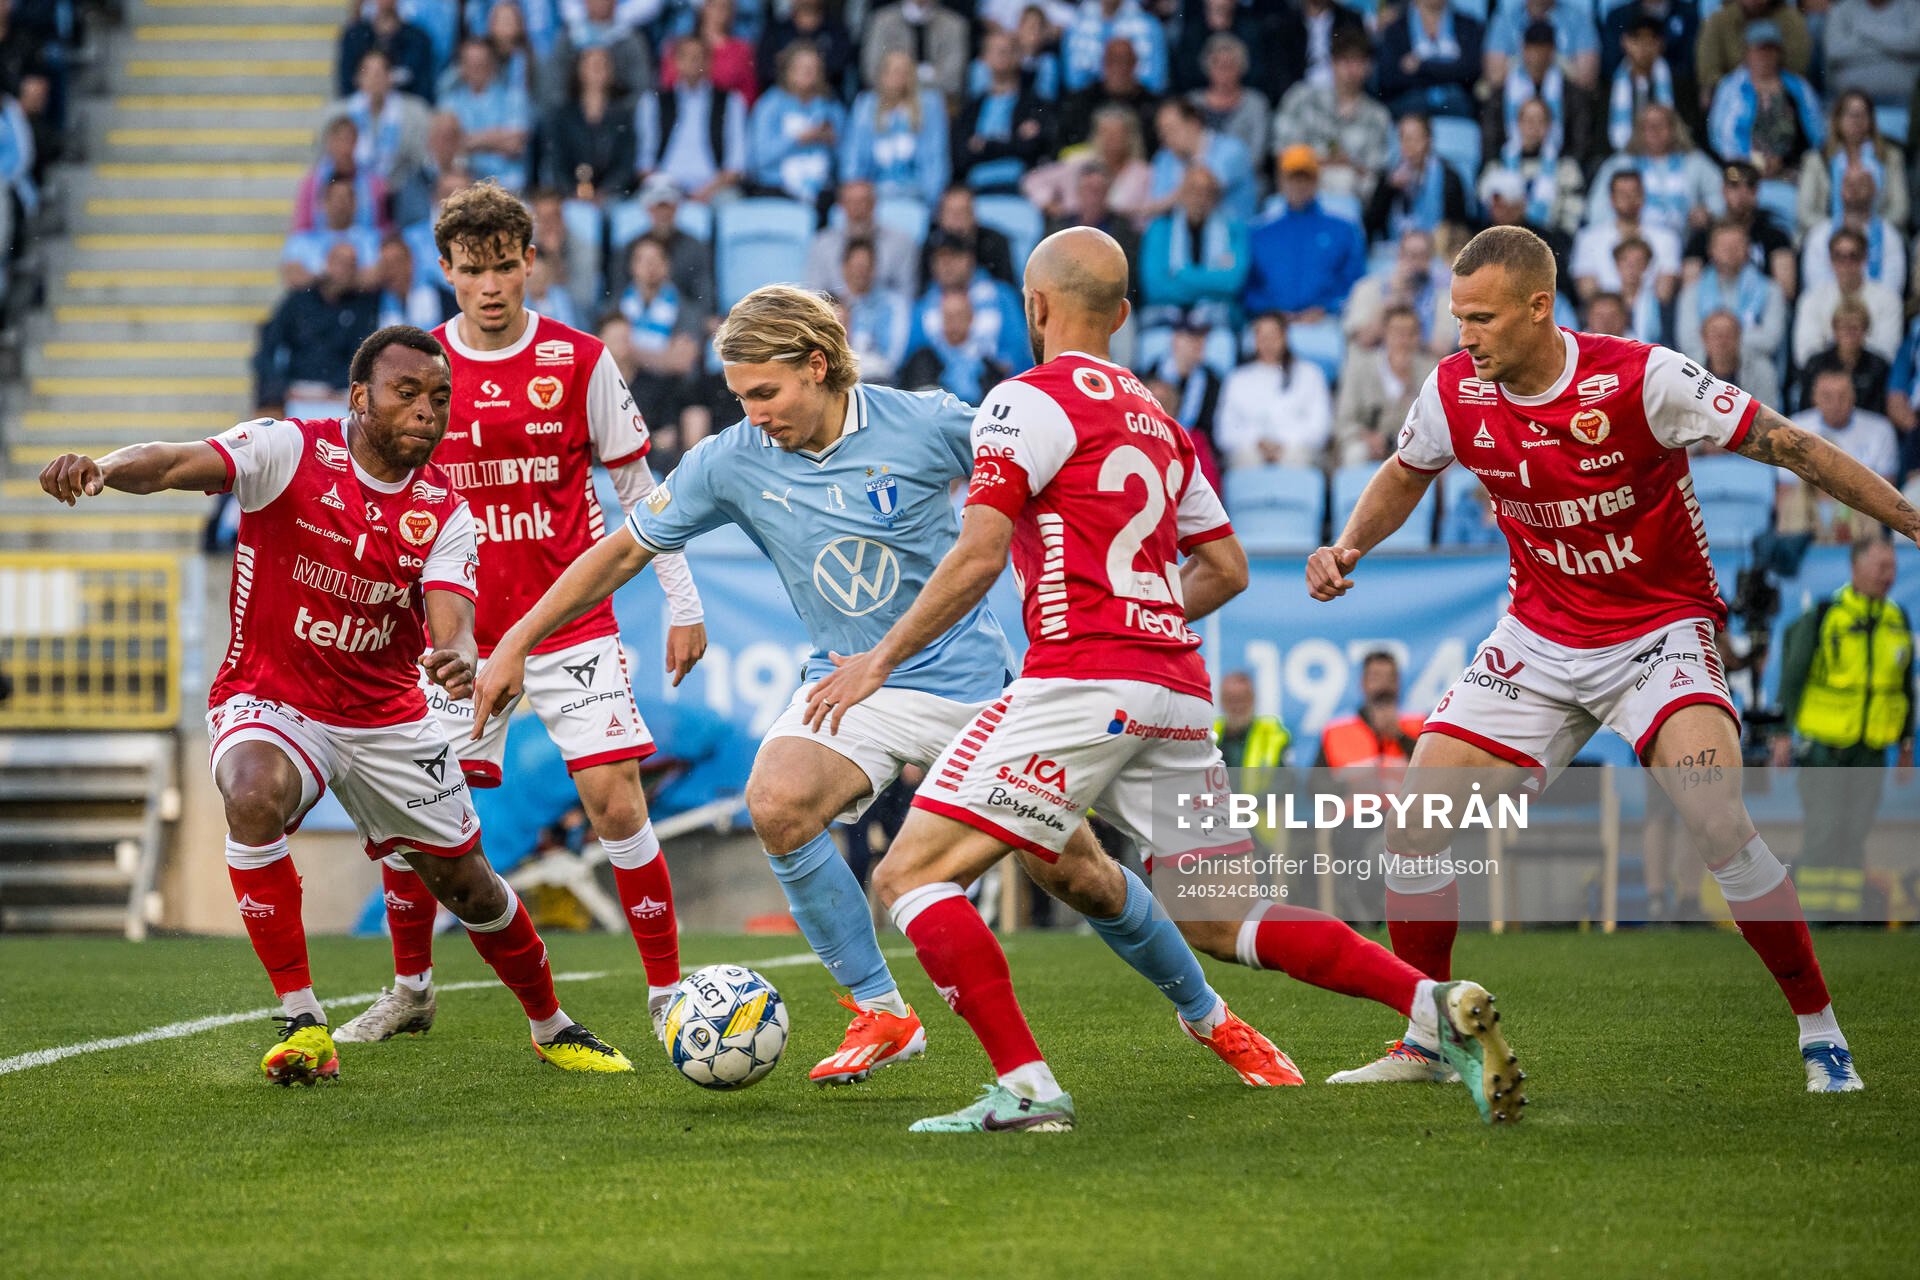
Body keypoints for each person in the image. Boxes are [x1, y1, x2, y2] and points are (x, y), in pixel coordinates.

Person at [469, 283, 1297, 1093]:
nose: (752, 413)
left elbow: (1051, 481)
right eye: (739, 396)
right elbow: (620, 552)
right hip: (847, 682)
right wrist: (517, 639)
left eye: (765, 392)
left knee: (1077, 874)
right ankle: (879, 1009)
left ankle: (1209, 1014)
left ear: (820, 365)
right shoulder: (730, 461)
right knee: (778, 801)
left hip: (968, 682)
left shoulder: (929, 422)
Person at [805, 228, 1524, 1132]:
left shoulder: (1020, 401)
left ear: (1035, 307)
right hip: (1176, 685)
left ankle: (1026, 1090)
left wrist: (880, 660)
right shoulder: (1163, 420)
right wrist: (1143, 614)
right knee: (1227, 918)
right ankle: (1428, 1003)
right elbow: (1225, 567)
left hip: (1078, 676)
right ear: (1125, 315)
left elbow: (981, 551)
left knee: (911, 873)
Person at [1308, 224, 1917, 1093]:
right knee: (1416, 820)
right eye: (1456, 318)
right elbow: (1407, 472)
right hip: (1539, 636)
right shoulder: (1454, 390)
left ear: (1538, 308)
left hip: (1657, 634)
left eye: (1480, 318)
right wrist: (1349, 546)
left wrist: (1913, 523)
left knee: (1716, 820)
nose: (1463, 336)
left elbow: (1796, 447)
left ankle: (1822, 1033)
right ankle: (1430, 1038)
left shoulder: (1644, 379)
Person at [38, 327, 632, 1079]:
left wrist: (457, 658)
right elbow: (175, 461)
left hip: (387, 714)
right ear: (360, 397)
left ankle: (553, 1026)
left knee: (470, 884)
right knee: (252, 794)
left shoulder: (446, 513)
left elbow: (453, 619)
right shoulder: (287, 450)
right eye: (407, 393)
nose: (427, 410)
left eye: (440, 398)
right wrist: (101, 468)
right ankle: (302, 1019)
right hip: (272, 696)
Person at [332, 183, 705, 1044]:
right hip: (456, 638)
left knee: (616, 802)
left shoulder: (579, 360)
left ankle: (667, 995)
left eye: (505, 265)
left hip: (569, 625)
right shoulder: (421, 375)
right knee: (415, 810)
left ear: (529, 262)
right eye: (473, 270)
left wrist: (682, 603)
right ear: (447, 272)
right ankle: (411, 990)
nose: (492, 285)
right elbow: (385, 495)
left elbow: (641, 493)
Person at [1773, 537, 1915, 920]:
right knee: (1823, 833)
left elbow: (1903, 688)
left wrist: (1905, 743)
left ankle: (1847, 921)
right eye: (1880, 567)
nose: (1888, 575)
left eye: (1892, 568)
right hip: (1826, 748)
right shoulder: (1824, 615)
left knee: (1855, 835)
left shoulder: (1897, 618)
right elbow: (1793, 675)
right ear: (1855, 568)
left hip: (1871, 749)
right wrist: (1783, 733)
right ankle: (1815, 922)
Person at [254, 242, 380, 421]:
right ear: (327, 262)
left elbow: (364, 352)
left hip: (340, 394)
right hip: (299, 389)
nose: (345, 271)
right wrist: (279, 388)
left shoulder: (363, 306)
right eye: (341, 262)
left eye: (351, 265)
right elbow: (269, 345)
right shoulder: (299, 301)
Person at [1244, 146, 1365, 324]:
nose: (1299, 185)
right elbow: (1248, 287)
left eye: (1305, 178)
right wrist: (1270, 310)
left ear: (1316, 181)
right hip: (1272, 324)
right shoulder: (1260, 233)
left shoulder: (1343, 229)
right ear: (1281, 181)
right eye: (1293, 178)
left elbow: (1355, 281)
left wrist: (1327, 307)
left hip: (1327, 322)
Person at [1269, 29, 1391, 202]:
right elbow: (1283, 155)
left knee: (1345, 180)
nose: (1352, 69)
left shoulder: (1378, 116)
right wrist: (1336, 162)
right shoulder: (1301, 98)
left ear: (1369, 67)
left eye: (1359, 62)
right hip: (1298, 190)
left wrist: (1325, 162)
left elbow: (1373, 173)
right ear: (1333, 63)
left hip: (1349, 200)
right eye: (1346, 61)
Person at [634, 33, 749, 204]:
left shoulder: (731, 101)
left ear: (709, 62)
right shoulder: (653, 101)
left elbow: (736, 164)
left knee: (732, 203)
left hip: (715, 188)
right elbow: (644, 161)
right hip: (663, 186)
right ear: (674, 62)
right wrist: (667, 188)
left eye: (698, 57)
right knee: (640, 207)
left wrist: (707, 191)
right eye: (685, 57)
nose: (692, 63)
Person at [1139, 163, 1248, 341]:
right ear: (1180, 194)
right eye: (1193, 190)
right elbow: (1155, 287)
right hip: (1165, 322)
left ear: (1216, 198)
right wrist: (1212, 281)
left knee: (1222, 345)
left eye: (1207, 192)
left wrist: (1180, 275)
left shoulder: (1233, 230)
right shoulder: (1160, 228)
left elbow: (1231, 283)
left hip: (1217, 325)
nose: (1200, 198)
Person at [1705, 21, 1823, 184]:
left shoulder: (1799, 87)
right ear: (1746, 52)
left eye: (1770, 50)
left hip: (1793, 171)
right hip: (1742, 172)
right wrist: (1754, 163)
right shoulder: (1730, 88)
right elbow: (1719, 136)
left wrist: (1782, 161)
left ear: (1779, 53)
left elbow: (1817, 135)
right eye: (1758, 49)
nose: (1764, 56)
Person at [1216, 312, 1334, 469]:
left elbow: (1320, 428)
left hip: (1297, 450)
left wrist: (1284, 442)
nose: (1268, 342)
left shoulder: (1310, 374)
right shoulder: (1237, 379)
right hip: (1250, 451)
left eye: (1273, 336)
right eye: (1262, 336)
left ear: (1285, 337)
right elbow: (1224, 432)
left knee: (1296, 457)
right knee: (1246, 457)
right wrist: (1256, 441)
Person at [841, 49, 950, 208]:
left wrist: (932, 202)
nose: (898, 77)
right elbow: (853, 156)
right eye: (893, 71)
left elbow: (935, 158)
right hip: (872, 198)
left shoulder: (930, 105)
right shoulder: (866, 105)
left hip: (917, 197)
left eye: (904, 72)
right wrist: (855, 196)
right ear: (881, 75)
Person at [1336, 304, 1439, 465]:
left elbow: (1437, 422)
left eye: (1411, 334)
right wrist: (1368, 437)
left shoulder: (1431, 369)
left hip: (1414, 443)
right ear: (1385, 333)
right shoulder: (1360, 367)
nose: (1404, 340)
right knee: (1356, 453)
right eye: (1398, 333)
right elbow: (1344, 420)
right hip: (1368, 442)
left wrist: (1408, 384)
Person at [1796, 90, 1909, 236]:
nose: (1856, 120)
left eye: (1862, 114)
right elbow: (1805, 213)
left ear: (1871, 119)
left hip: (1881, 233)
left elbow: (1900, 209)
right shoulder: (1815, 160)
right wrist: (1839, 231)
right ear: (1837, 119)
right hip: (1827, 235)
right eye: (1850, 114)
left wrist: (1870, 230)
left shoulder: (1891, 157)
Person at [954, 27, 1052, 195]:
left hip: (1022, 190)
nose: (1002, 55)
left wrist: (984, 145)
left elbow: (1032, 150)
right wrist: (1012, 142)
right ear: (984, 58)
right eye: (996, 50)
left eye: (1008, 50)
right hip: (975, 192)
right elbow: (961, 157)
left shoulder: (1034, 105)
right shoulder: (970, 109)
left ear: (1019, 56)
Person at [1675, 220, 1785, 365]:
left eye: (1736, 245)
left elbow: (1770, 340)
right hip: (1703, 372)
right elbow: (1688, 341)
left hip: (1752, 371)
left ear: (1748, 249)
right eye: (1723, 246)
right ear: (1711, 250)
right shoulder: (1691, 292)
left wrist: (1717, 339)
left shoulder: (1771, 290)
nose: (1730, 251)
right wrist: (1740, 338)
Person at [747, 42, 844, 205]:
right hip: (777, 189)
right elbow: (758, 159)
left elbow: (845, 158)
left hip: (822, 191)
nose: (809, 73)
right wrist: (799, 139)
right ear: (787, 70)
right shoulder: (769, 105)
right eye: (802, 67)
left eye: (814, 68)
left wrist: (832, 141)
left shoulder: (831, 106)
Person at [1682, 161, 1795, 301]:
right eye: (1734, 186)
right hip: (1713, 312)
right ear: (1723, 190)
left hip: (1760, 310)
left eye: (1750, 186)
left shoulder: (1775, 236)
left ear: (1757, 192)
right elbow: (1690, 290)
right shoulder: (1703, 237)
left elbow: (1786, 290)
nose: (1742, 193)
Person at [1792, 228, 1903, 369]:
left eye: (1853, 256)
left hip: (1871, 381)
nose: (1846, 264)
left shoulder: (1889, 300)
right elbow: (1804, 354)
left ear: (1864, 258)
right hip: (1823, 380)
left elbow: (1886, 352)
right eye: (1839, 256)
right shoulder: (1811, 299)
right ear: (1830, 260)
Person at [1570, 169, 1681, 303]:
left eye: (1634, 192)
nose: (1629, 198)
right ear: (1611, 199)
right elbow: (1588, 293)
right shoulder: (1588, 238)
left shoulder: (1667, 238)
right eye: (1622, 194)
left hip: (1651, 316)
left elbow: (1664, 294)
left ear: (1643, 196)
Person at [439, 37, 532, 191]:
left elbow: (515, 144)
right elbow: (445, 148)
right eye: (470, 62)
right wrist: (496, 138)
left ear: (493, 64)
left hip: (508, 189)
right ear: (461, 66)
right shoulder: (449, 102)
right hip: (464, 188)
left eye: (481, 62)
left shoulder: (514, 99)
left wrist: (466, 141)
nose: (476, 67)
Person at [1363, 114, 1471, 244]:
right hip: (1396, 251)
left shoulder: (1449, 177)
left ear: (1429, 140)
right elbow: (1372, 223)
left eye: (1415, 139)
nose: (1409, 145)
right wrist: (1388, 190)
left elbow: (1458, 225)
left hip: (1437, 249)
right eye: (1404, 139)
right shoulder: (1388, 176)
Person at [806, 178, 918, 299]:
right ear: (841, 206)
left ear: (874, 203)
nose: (858, 209)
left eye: (864, 201)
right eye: (851, 202)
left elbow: (905, 294)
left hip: (884, 313)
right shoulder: (822, 244)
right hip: (835, 314)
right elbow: (814, 294)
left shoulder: (901, 243)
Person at [1374, 0, 1485, 120]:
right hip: (1409, 109)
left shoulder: (1468, 26)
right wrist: (1449, 69)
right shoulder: (1395, 29)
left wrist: (1421, 66)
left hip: (1458, 107)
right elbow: (1389, 78)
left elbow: (1471, 70)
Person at [861, 0, 971, 103]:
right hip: (889, 101)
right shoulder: (883, 21)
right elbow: (872, 72)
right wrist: (927, 74)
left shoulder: (954, 25)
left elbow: (953, 80)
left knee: (932, 101)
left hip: (940, 102)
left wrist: (903, 76)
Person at [1823, 0, 1920, 111]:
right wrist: (1893, 49)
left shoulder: (1912, 6)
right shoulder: (1842, 9)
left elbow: (1915, 43)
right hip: (1850, 102)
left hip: (1903, 101)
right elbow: (1835, 51)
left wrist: (1865, 33)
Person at [338, 0, 437, 105]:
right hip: (362, 107)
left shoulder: (418, 39)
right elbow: (347, 82)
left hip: (406, 109)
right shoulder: (354, 36)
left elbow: (424, 87)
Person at [1700, 308, 1782, 408]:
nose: (1722, 341)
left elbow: (1768, 414)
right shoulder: (1691, 370)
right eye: (1715, 334)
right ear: (1704, 339)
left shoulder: (1761, 369)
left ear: (1739, 337)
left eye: (1728, 334)